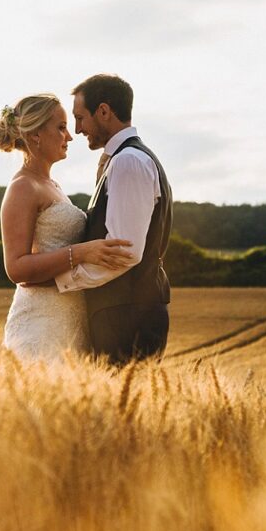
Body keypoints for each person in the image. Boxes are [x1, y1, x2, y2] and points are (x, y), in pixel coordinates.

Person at [0, 93, 134, 361]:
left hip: (71, 322)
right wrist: (81, 253)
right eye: (61, 127)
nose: (69, 136)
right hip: (42, 325)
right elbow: (16, 267)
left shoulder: (51, 186)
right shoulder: (23, 187)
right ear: (35, 135)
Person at [56, 74, 173, 365]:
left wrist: (60, 280)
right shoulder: (124, 159)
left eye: (80, 118)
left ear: (104, 111)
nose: (78, 129)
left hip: (127, 315)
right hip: (124, 311)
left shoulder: (128, 161)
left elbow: (124, 253)